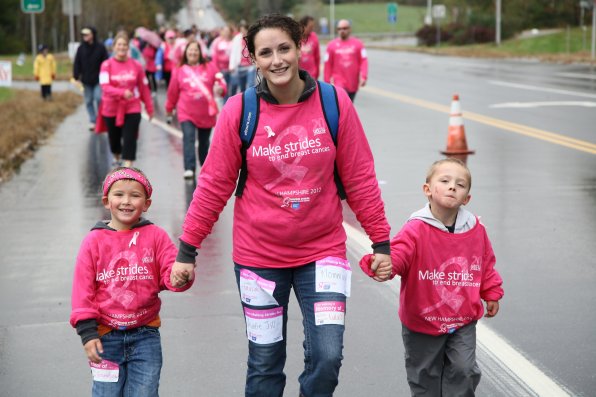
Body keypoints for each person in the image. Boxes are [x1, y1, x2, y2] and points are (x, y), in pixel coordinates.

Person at [170, 14, 392, 397]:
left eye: (284, 48)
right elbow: (212, 186)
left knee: (327, 356)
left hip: (322, 252)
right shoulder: (240, 111)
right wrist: (187, 250)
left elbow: (359, 177)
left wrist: (381, 242)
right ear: (253, 59)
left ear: (300, 47)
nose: (277, 60)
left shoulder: (333, 102)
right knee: (265, 362)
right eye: (266, 52)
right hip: (258, 257)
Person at [359, 158, 504, 396]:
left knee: (464, 369)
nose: (452, 187)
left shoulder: (475, 230)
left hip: (462, 318)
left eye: (460, 184)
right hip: (422, 319)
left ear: (466, 198)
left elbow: (485, 262)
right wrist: (383, 265)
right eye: (445, 181)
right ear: (427, 190)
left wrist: (491, 292)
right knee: (424, 376)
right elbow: (400, 255)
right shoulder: (416, 228)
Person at [70, 167, 194, 396]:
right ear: (107, 201)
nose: (126, 201)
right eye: (119, 195)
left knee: (145, 393)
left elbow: (170, 273)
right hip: (105, 336)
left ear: (146, 203)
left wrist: (180, 277)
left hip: (145, 335)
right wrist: (88, 334)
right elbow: (82, 291)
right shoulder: (93, 241)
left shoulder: (155, 236)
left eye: (135, 195)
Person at [165, 41, 226, 179]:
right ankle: (189, 168)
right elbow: (172, 92)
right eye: (190, 50)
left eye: (195, 50)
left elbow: (221, 82)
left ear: (200, 53)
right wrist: (169, 109)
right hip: (186, 112)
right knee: (189, 138)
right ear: (185, 53)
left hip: (206, 112)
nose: (193, 53)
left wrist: (221, 89)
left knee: (204, 143)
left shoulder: (210, 67)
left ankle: (205, 169)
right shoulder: (179, 70)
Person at [99, 32, 154, 168]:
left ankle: (127, 167)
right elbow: (105, 87)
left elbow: (144, 88)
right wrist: (122, 92)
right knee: (114, 140)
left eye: (124, 45)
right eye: (119, 45)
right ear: (114, 47)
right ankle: (117, 155)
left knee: (130, 138)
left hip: (132, 106)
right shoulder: (106, 65)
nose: (122, 47)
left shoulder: (136, 65)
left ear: (128, 47)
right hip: (111, 108)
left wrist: (149, 107)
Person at [73, 26, 109, 130]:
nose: (85, 36)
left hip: (98, 79)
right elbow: (77, 63)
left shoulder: (100, 47)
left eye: (87, 34)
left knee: (99, 98)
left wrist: (106, 75)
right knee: (88, 100)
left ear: (92, 35)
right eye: (83, 35)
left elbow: (106, 62)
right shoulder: (81, 48)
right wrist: (76, 75)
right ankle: (93, 120)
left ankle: (100, 119)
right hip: (86, 79)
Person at [323, 19, 368, 102]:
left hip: (353, 83)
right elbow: (327, 64)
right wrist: (327, 83)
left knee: (349, 105)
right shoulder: (331, 45)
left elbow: (364, 60)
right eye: (339, 29)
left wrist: (363, 76)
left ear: (349, 29)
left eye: (344, 28)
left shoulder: (358, 44)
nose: (342, 31)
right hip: (339, 83)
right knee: (342, 104)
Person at [228, 22, 256, 97]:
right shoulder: (237, 38)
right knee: (242, 86)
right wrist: (231, 66)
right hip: (240, 65)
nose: (243, 32)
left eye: (244, 30)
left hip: (250, 66)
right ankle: (243, 101)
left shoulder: (252, 38)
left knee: (250, 85)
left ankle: (251, 99)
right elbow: (233, 52)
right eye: (241, 30)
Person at [298, 16, 320, 80]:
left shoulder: (314, 36)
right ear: (303, 26)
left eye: (313, 27)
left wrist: (317, 73)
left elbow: (317, 57)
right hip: (299, 74)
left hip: (312, 74)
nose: (312, 29)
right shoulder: (295, 37)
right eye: (310, 27)